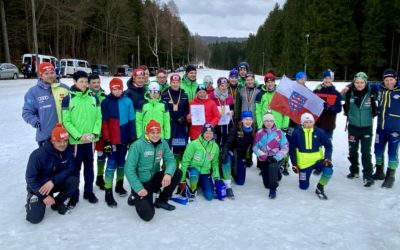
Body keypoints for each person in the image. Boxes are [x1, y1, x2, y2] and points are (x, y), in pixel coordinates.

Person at [125, 120, 182, 222]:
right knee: (148, 215)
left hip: (154, 178)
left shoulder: (163, 143)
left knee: (177, 172)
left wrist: (168, 174)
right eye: (152, 133)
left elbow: (171, 161)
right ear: (147, 133)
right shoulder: (137, 145)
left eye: (158, 132)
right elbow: (129, 169)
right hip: (142, 183)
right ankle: (134, 195)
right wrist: (139, 189)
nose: (155, 135)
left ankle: (162, 200)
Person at [62, 71, 102, 207]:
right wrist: (79, 136)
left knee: (89, 167)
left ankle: (89, 192)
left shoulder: (93, 98)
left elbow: (98, 117)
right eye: (81, 82)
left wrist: (94, 133)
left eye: (86, 81)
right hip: (76, 142)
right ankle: (74, 195)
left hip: (90, 141)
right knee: (75, 169)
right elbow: (66, 121)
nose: (84, 84)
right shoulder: (68, 98)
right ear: (74, 82)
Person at [25, 123, 79, 224]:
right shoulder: (38, 155)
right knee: (34, 219)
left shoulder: (68, 151)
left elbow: (71, 168)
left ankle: (57, 203)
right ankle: (31, 199)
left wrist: (53, 181)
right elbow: (30, 178)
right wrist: (43, 196)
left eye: (65, 141)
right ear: (53, 140)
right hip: (40, 188)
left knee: (74, 180)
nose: (63, 144)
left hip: (53, 183)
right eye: (59, 141)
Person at [101, 78, 136, 207]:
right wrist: (107, 140)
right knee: (111, 164)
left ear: (122, 89)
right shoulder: (106, 102)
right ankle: (108, 192)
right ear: (111, 89)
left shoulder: (128, 101)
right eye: (114, 89)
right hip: (111, 140)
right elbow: (104, 124)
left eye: (119, 88)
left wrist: (132, 137)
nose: (117, 91)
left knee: (122, 163)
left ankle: (119, 185)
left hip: (124, 139)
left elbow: (132, 120)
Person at [342, 72, 377, 187]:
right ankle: (354, 170)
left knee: (366, 152)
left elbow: (382, 85)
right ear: (353, 83)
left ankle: (367, 176)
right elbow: (337, 97)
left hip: (367, 127)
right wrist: (347, 87)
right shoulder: (349, 93)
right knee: (353, 150)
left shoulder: (372, 92)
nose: (359, 84)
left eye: (362, 82)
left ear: (366, 82)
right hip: (353, 127)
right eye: (357, 82)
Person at [22, 62, 69, 146]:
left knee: (66, 159)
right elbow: (27, 112)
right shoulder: (33, 92)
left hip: (65, 135)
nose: (50, 76)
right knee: (47, 159)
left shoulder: (64, 88)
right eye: (46, 73)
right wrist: (37, 122)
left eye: (52, 73)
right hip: (46, 136)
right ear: (40, 75)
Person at [289, 113, 333, 200]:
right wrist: (294, 163)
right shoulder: (296, 133)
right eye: (306, 122)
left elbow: (328, 145)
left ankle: (320, 187)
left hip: (318, 161)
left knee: (329, 169)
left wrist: (327, 158)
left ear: (313, 122)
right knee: (303, 187)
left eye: (310, 122)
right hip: (304, 164)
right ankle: (309, 174)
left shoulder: (320, 132)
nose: (308, 124)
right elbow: (292, 149)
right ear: (302, 123)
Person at [371, 69, 400, 188]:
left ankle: (391, 176)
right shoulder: (379, 88)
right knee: (378, 151)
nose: (389, 82)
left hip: (395, 130)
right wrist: (349, 85)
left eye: (391, 80)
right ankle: (379, 172)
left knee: (392, 154)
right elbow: (364, 82)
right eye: (386, 80)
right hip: (380, 128)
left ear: (395, 79)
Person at [179, 123, 220, 201]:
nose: (208, 135)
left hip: (205, 172)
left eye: (211, 133)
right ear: (202, 133)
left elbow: (215, 163)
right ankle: (192, 187)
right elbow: (185, 162)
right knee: (194, 176)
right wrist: (182, 180)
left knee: (209, 196)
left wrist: (216, 178)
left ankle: (200, 183)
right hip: (194, 170)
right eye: (206, 133)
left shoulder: (215, 146)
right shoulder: (193, 144)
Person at [253, 114, 289, 199]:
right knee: (266, 185)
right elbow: (255, 147)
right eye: (266, 121)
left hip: (275, 158)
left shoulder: (279, 132)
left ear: (273, 121)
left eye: (271, 121)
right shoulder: (259, 133)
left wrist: (276, 157)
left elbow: (285, 147)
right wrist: (263, 155)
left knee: (272, 168)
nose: (269, 123)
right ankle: (278, 173)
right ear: (263, 122)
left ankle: (273, 189)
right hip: (264, 158)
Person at [221, 111, 256, 193]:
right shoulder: (235, 128)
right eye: (246, 119)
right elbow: (228, 142)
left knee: (240, 182)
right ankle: (226, 173)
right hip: (234, 152)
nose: (248, 121)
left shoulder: (254, 130)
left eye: (250, 119)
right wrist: (225, 152)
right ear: (242, 120)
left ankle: (234, 171)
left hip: (242, 155)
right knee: (227, 159)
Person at [161, 74, 189, 167]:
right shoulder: (164, 95)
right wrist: (167, 118)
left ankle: (176, 168)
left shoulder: (184, 95)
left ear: (180, 83)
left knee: (177, 148)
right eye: (173, 82)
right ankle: (166, 168)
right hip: (168, 126)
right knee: (167, 148)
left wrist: (184, 117)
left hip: (180, 126)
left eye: (177, 82)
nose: (175, 84)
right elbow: (162, 109)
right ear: (170, 82)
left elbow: (187, 110)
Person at [88, 74, 107, 190]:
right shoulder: (86, 96)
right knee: (89, 158)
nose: (96, 84)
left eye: (97, 82)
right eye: (93, 82)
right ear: (89, 83)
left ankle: (100, 177)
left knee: (102, 155)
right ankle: (88, 181)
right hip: (89, 133)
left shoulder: (104, 96)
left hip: (102, 132)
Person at [313, 70, 342, 140]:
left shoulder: (336, 93)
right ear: (323, 79)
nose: (327, 80)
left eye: (329, 78)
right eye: (325, 78)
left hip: (329, 125)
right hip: (317, 124)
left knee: (328, 146)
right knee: (316, 146)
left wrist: (330, 107)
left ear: (332, 79)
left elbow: (339, 108)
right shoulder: (316, 91)